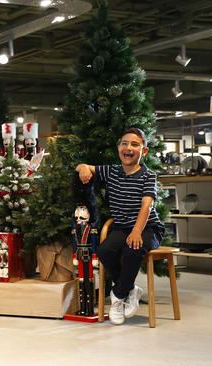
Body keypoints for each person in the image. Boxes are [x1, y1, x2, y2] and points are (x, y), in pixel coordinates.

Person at [76, 127, 164, 325]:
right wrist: (82, 168)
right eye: (124, 143)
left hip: (148, 227)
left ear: (144, 151)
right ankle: (130, 288)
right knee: (105, 250)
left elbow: (146, 206)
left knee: (133, 248)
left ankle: (118, 296)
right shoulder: (111, 171)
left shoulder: (148, 176)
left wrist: (137, 231)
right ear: (118, 148)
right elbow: (85, 166)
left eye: (135, 144)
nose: (128, 148)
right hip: (121, 227)